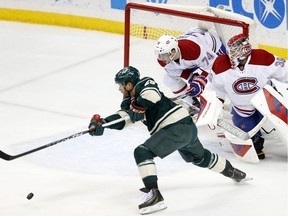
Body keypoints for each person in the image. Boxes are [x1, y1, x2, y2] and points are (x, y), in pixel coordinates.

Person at [88, 66, 248, 215]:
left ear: (129, 84)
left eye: (121, 86)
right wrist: (103, 123)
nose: (119, 89)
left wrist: (137, 106)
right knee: (200, 157)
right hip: (184, 130)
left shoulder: (145, 83)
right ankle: (234, 172)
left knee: (142, 152)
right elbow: (124, 118)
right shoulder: (129, 102)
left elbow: (152, 96)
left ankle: (154, 195)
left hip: (175, 126)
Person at [204, 33, 288, 160]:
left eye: (235, 52)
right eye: (231, 52)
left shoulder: (262, 58)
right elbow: (213, 89)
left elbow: (285, 70)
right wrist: (211, 110)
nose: (231, 56)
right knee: (253, 144)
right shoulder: (220, 65)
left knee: (284, 122)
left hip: (267, 100)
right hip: (241, 107)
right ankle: (256, 141)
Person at [154, 28, 226, 108]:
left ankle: (217, 105)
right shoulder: (162, 60)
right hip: (192, 59)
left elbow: (212, 66)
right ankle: (192, 103)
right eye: (160, 54)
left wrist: (200, 81)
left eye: (164, 54)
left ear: (173, 51)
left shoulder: (192, 49)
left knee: (217, 78)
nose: (161, 57)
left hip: (213, 48)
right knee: (168, 79)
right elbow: (178, 72)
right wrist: (192, 79)